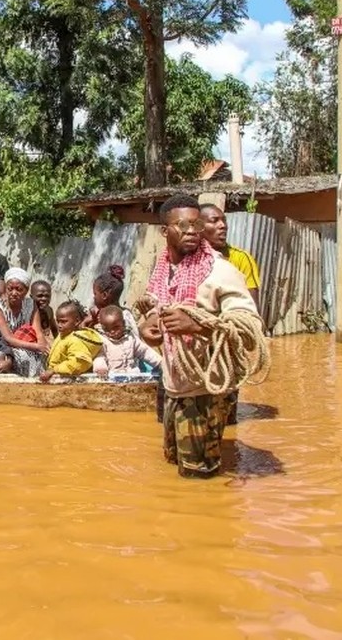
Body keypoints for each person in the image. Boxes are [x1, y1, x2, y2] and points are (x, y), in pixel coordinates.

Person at [137, 194, 260, 479]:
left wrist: (198, 326)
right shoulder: (164, 269)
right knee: (173, 466)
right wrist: (150, 328)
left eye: (196, 224)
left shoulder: (220, 271)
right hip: (174, 387)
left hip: (206, 391)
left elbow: (251, 330)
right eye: (182, 225)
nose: (192, 231)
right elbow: (161, 313)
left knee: (199, 477)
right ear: (165, 232)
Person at [199, 203, 263, 425]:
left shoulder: (240, 259)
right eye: (214, 220)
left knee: (225, 413)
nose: (222, 225)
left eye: (223, 220)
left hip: (224, 343)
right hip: (195, 347)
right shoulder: (185, 261)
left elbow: (250, 307)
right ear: (198, 226)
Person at [0, 267, 49, 378]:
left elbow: (38, 331)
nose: (14, 293)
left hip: (27, 344)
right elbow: (8, 339)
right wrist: (36, 347)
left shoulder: (30, 304)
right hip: (3, 346)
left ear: (26, 290)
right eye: (10, 289)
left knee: (45, 355)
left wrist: (43, 345)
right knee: (23, 356)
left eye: (19, 289)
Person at [40, 300, 103, 381]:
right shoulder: (63, 335)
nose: (59, 325)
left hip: (67, 381)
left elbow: (79, 362)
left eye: (63, 321)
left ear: (76, 321)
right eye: (58, 321)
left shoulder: (75, 340)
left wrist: (54, 370)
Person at [93, 305, 162, 378]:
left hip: (132, 376)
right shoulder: (103, 341)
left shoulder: (130, 338)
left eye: (116, 327)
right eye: (107, 329)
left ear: (123, 323)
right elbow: (99, 356)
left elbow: (144, 352)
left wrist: (160, 362)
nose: (112, 331)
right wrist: (100, 368)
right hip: (112, 377)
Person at [81, 265, 142, 336]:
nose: (94, 297)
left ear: (104, 295)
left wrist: (84, 324)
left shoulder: (124, 317)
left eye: (95, 293)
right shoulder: (125, 315)